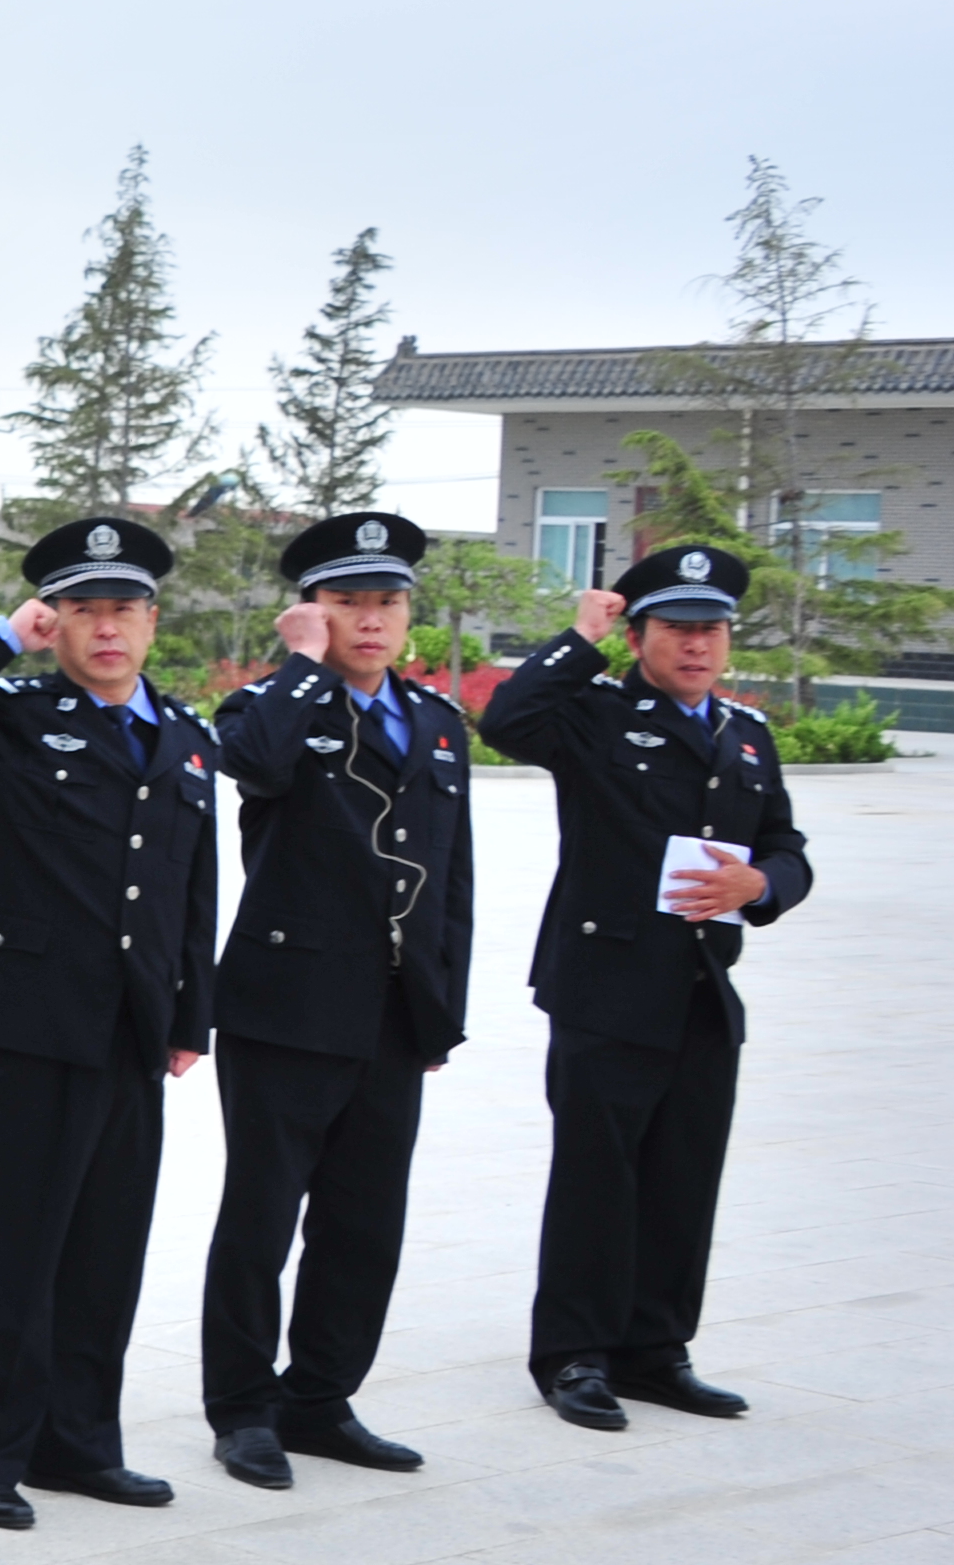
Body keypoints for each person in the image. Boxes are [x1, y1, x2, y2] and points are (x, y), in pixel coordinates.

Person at [0, 515, 218, 1529]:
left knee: (103, 1246)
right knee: (10, 1243)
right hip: (34, 1024)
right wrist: (2, 635)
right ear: (55, 620)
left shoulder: (182, 738)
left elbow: (194, 889)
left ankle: (76, 1442)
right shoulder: (13, 720)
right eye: (81, 609)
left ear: (151, 620)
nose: (104, 627)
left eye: (121, 608)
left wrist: (189, 1016)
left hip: (132, 1028)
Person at [480, 544, 811, 1431]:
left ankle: (656, 1350)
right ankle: (575, 1356)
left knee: (682, 1176)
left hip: (701, 990)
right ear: (639, 635)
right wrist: (578, 637)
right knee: (598, 1177)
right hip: (605, 985)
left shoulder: (746, 734)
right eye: (677, 628)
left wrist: (763, 887)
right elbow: (507, 721)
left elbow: (787, 846)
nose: (697, 645)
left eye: (711, 629)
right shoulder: (592, 713)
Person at [201, 510, 476, 1484]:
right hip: (284, 1005)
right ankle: (240, 1408)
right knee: (261, 1217)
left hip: (391, 1014)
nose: (370, 619)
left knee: (363, 1222)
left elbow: (451, 879)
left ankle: (318, 1397)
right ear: (307, 613)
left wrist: (440, 1006)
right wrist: (302, 668)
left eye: (385, 601)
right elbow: (255, 764)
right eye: (346, 601)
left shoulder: (436, 723)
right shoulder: (273, 706)